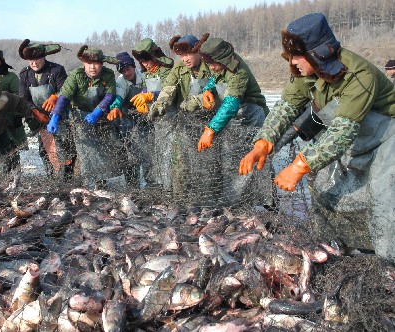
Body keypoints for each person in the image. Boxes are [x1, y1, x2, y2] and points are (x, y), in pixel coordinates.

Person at [239, 13, 395, 261]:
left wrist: (299, 165)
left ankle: (388, 266)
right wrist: (263, 142)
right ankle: (335, 250)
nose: (293, 61)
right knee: (325, 190)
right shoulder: (306, 73)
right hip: (351, 143)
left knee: (385, 205)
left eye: (297, 55)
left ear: (318, 53)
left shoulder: (359, 75)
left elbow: (342, 131)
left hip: (387, 141)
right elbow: (287, 106)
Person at [197, 37, 272, 208]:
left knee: (256, 163)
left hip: (251, 117)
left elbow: (230, 104)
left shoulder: (238, 72)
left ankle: (268, 206)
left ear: (221, 60)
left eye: (212, 64)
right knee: (232, 162)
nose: (211, 67)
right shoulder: (220, 64)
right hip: (235, 120)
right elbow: (215, 76)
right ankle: (236, 204)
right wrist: (207, 89)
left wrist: (210, 130)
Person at [48, 45, 118, 189]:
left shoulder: (108, 74)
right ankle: (89, 184)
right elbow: (64, 96)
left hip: (99, 117)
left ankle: (101, 183)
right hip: (79, 117)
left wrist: (98, 112)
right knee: (86, 150)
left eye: (96, 63)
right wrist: (55, 116)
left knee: (102, 150)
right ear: (84, 63)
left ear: (101, 64)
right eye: (89, 63)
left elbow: (110, 95)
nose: (93, 67)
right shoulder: (76, 75)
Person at [18, 39, 73, 181]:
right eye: (30, 60)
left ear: (44, 57)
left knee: (63, 150)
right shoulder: (24, 74)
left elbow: (66, 91)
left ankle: (65, 180)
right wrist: (36, 113)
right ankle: (52, 179)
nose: (34, 63)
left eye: (37, 59)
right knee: (44, 151)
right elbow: (24, 98)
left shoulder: (57, 70)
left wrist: (55, 97)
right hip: (39, 117)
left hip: (60, 117)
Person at [149, 33, 211, 118]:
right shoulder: (178, 68)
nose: (185, 59)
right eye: (181, 56)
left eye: (188, 54)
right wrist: (160, 104)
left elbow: (218, 91)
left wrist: (197, 101)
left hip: (210, 113)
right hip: (186, 115)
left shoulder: (211, 66)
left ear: (198, 51)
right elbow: (168, 88)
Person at [106, 52, 144, 187]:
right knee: (130, 151)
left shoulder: (143, 75)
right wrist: (115, 107)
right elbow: (119, 97)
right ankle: (133, 183)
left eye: (128, 69)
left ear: (133, 67)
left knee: (145, 151)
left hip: (145, 116)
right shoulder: (120, 82)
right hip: (126, 118)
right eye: (122, 70)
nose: (126, 73)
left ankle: (149, 181)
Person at [0, 50, 26, 177]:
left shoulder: (11, 77)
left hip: (10, 119)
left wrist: (17, 116)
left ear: (1, 61)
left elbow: (18, 97)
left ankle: (15, 177)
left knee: (12, 150)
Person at [129, 38, 174, 115]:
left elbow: (169, 90)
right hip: (155, 113)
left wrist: (151, 95)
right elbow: (145, 89)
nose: (145, 64)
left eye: (146, 61)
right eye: (142, 62)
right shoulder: (147, 74)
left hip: (169, 111)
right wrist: (142, 102)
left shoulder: (166, 70)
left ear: (154, 58)